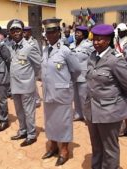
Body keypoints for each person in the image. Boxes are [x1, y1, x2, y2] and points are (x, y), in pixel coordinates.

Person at [85, 24, 127, 169]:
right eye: (94, 39)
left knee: (110, 149)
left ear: (108, 40)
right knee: (96, 146)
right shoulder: (92, 56)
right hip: (92, 110)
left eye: (100, 39)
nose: (95, 42)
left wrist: (114, 103)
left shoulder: (115, 60)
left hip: (109, 112)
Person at [41, 18, 81, 166]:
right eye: (47, 32)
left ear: (59, 32)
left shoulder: (65, 50)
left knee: (63, 122)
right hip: (48, 92)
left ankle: (64, 149)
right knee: (50, 121)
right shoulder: (45, 50)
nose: (50, 35)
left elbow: (76, 70)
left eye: (53, 31)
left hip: (62, 93)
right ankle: (53, 146)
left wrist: (66, 83)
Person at [8, 19, 41, 147]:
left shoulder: (29, 47)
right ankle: (22, 131)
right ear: (10, 33)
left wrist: (32, 78)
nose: (15, 32)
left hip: (26, 85)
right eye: (13, 30)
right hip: (14, 85)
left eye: (18, 30)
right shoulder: (10, 46)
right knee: (19, 111)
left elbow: (38, 64)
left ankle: (31, 134)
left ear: (22, 31)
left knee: (29, 111)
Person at [69, 25, 94, 121]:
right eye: (76, 32)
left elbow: (94, 58)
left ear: (84, 35)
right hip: (73, 74)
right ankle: (78, 114)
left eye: (79, 33)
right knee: (75, 96)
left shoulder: (89, 45)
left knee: (84, 97)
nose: (76, 34)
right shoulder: (72, 45)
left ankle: (87, 115)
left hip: (83, 75)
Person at [23, 26, 42, 108]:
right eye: (23, 32)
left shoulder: (33, 42)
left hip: (32, 65)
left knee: (33, 83)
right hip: (25, 65)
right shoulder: (23, 41)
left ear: (30, 32)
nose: (24, 33)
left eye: (26, 32)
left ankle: (37, 100)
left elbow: (38, 53)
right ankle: (30, 99)